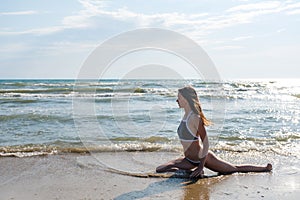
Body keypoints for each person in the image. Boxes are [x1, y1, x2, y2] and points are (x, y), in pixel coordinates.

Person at [156, 86, 272, 178]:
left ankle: (264, 168)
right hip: (189, 160)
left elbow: (205, 143)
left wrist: (201, 167)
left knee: (234, 169)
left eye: (179, 98)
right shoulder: (185, 116)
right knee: (160, 169)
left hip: (202, 158)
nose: (177, 100)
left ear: (186, 99)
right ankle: (189, 173)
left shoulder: (195, 118)